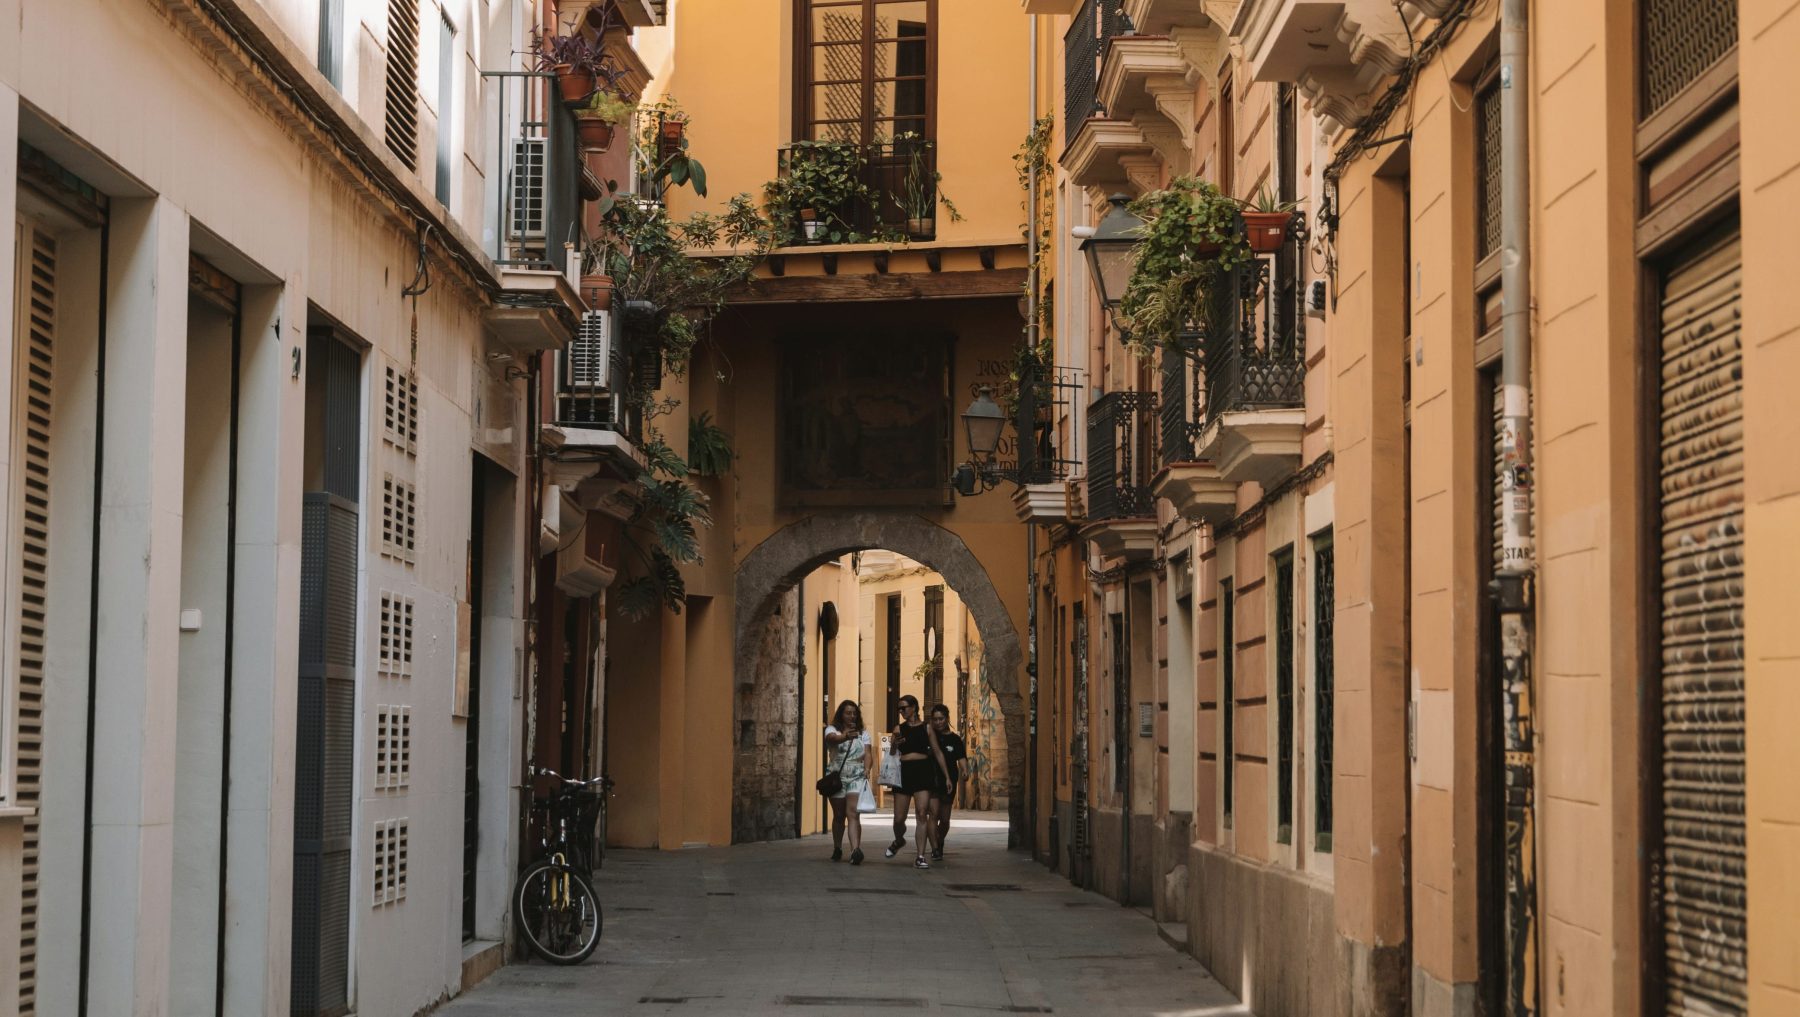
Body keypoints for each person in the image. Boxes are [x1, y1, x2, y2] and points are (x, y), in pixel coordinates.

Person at [884, 695, 952, 869]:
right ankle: (899, 840)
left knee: (922, 813)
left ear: (914, 707)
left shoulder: (927, 728)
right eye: (899, 708)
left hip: (923, 771)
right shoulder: (898, 729)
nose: (901, 711)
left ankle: (920, 856)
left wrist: (947, 776)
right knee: (899, 818)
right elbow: (891, 754)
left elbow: (937, 752)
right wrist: (894, 745)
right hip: (905, 773)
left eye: (904, 707)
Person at [824, 700, 873, 864]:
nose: (852, 716)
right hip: (837, 776)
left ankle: (855, 850)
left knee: (853, 813)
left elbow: (867, 753)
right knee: (839, 815)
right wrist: (845, 736)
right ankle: (837, 847)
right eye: (848, 713)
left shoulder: (863, 733)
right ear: (841, 714)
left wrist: (867, 768)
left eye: (854, 713)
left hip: (856, 775)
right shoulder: (832, 730)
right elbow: (831, 740)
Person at [926, 704, 967, 860]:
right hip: (931, 779)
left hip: (949, 781)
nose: (938, 722)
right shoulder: (929, 736)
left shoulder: (955, 739)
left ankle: (940, 839)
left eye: (941, 719)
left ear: (947, 718)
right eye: (935, 719)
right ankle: (935, 848)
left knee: (944, 820)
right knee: (933, 814)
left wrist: (965, 770)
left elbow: (961, 757)